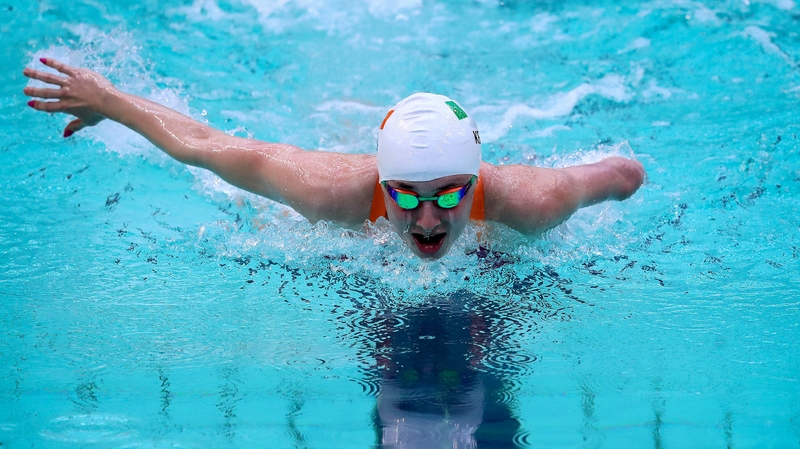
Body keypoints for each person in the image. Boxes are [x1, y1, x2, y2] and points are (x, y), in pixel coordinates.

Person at [22, 58, 645, 260]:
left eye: (451, 192)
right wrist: (109, 100)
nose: (427, 219)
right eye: (405, 193)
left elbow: (622, 174)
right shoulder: (331, 192)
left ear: (477, 178)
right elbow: (208, 146)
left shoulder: (529, 200)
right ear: (381, 179)